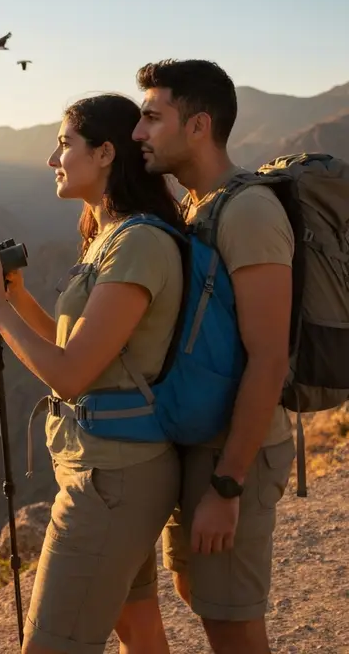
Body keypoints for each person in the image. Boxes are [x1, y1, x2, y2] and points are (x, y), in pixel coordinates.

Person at [0, 93, 185, 654]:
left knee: (51, 644)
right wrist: (18, 298)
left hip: (111, 482)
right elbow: (80, 348)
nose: (51, 159)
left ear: (106, 153)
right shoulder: (111, 236)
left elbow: (71, 375)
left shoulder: (137, 243)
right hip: (112, 469)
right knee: (138, 630)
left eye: (64, 144)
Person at [128, 58, 296, 654]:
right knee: (197, 593)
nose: (138, 132)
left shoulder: (249, 212)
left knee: (232, 626)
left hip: (235, 452)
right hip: (199, 443)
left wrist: (227, 487)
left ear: (198, 126)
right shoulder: (198, 204)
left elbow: (269, 358)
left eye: (153, 117)